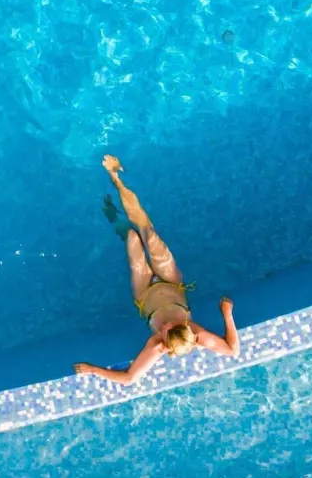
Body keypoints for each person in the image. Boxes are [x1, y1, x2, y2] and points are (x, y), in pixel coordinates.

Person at [74, 154, 239, 385]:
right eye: (174, 325)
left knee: (132, 237)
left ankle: (113, 217)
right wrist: (227, 315)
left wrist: (93, 369)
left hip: (145, 294)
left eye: (165, 329)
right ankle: (116, 179)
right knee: (149, 235)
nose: (166, 325)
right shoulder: (197, 334)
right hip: (172, 284)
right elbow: (232, 351)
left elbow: (129, 378)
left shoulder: (157, 346)